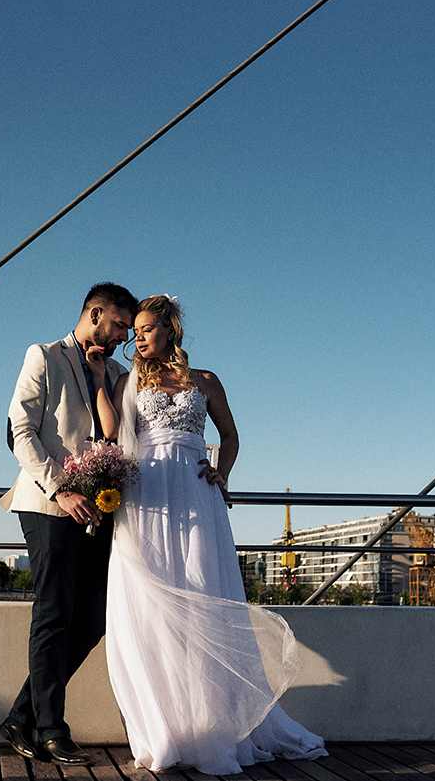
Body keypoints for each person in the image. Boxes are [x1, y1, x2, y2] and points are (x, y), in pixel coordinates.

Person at [104, 295, 328, 774]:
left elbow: (231, 434)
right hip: (149, 500)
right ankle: (170, 731)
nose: (137, 338)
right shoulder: (127, 382)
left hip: (196, 496)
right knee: (155, 610)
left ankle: (212, 727)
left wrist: (222, 474)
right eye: (135, 331)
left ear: (170, 330)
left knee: (202, 595)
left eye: (145, 329)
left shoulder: (205, 381)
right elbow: (111, 433)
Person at [0, 282, 138, 766]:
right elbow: (19, 430)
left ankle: (21, 715)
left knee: (93, 618)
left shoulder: (117, 372)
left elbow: (119, 437)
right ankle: (51, 728)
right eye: (119, 324)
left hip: (101, 510)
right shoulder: (44, 355)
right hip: (49, 504)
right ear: (95, 313)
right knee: (54, 614)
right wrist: (61, 487)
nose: (125, 334)